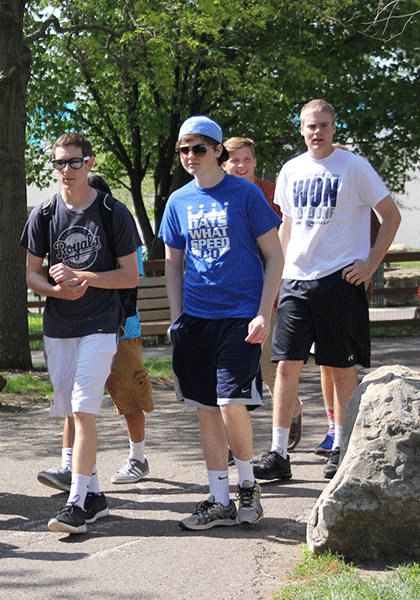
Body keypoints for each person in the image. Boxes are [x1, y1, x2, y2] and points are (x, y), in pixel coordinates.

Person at [254, 99, 401, 481]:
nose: (316, 132)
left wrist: (369, 263)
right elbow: (287, 224)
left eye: (323, 125)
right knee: (285, 364)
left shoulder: (353, 167)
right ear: (301, 129)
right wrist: (278, 274)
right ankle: (278, 451)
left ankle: (342, 447)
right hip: (296, 281)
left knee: (338, 366)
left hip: (339, 279)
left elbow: (391, 215)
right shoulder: (291, 170)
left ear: (334, 128)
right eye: (309, 126)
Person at [160, 116, 283, 530]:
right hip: (196, 319)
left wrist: (264, 311)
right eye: (183, 149)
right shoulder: (178, 201)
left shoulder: (245, 194)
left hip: (240, 316)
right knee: (206, 410)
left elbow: (276, 256)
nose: (190, 156)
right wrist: (176, 318)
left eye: (198, 148)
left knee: (231, 402)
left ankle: (247, 485)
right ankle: (218, 500)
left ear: (217, 151)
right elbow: (173, 265)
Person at [22, 134, 141, 535]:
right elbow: (29, 273)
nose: (67, 171)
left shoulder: (112, 212)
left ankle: (76, 503)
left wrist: (83, 278)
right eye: (60, 164)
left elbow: (130, 275)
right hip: (59, 328)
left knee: (84, 409)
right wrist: (55, 290)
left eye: (74, 163)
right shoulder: (43, 214)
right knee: (71, 410)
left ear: (89, 163)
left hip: (101, 324)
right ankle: (94, 495)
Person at [36, 174, 154, 494]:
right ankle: (68, 463)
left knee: (128, 392)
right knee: (77, 402)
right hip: (80, 328)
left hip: (122, 328)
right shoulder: (70, 234)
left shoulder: (118, 226)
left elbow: (129, 279)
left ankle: (137, 457)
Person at [223, 137, 312, 452]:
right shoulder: (215, 196)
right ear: (223, 163)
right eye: (235, 160)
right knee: (229, 371)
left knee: (266, 365)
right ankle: (235, 444)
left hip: (268, 294)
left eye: (247, 159)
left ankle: (293, 410)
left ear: (255, 161)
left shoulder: (272, 194)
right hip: (227, 297)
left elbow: (287, 242)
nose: (241, 166)